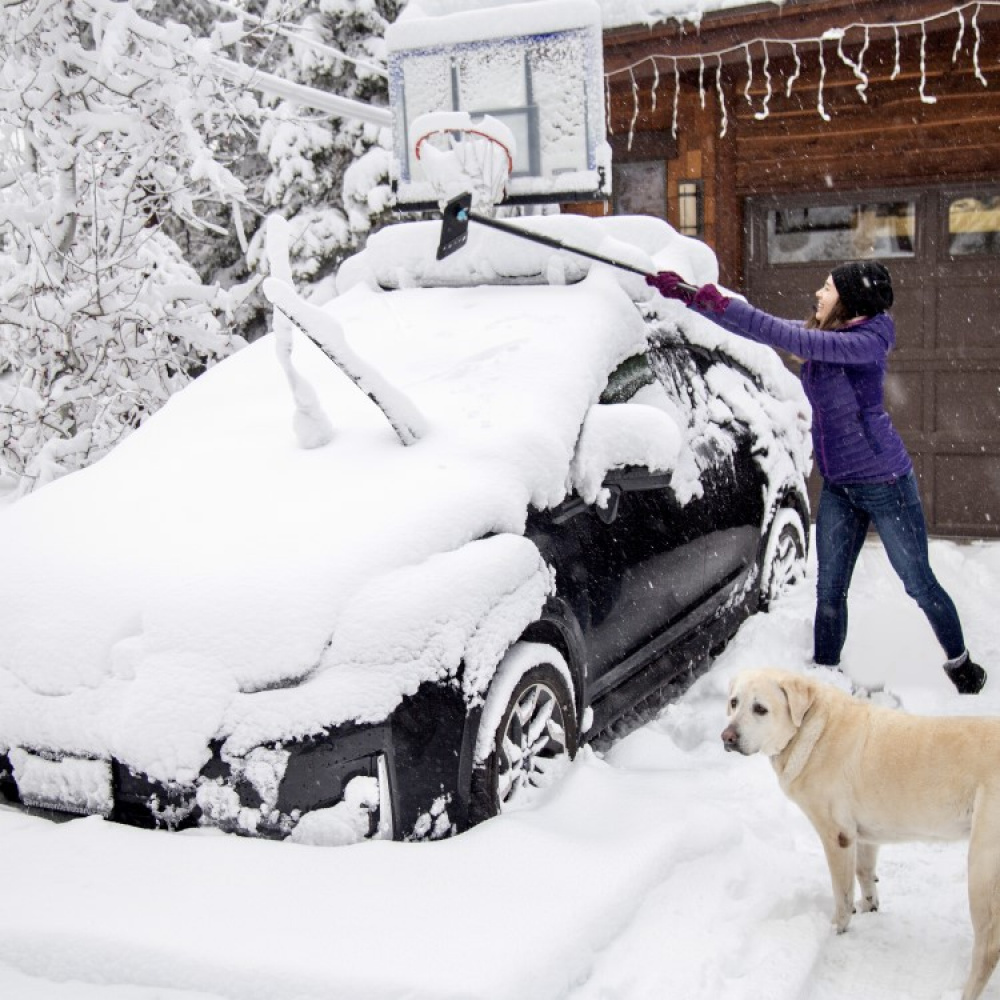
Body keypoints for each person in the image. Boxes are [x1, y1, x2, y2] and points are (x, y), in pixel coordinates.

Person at [646, 260, 987, 695]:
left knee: (918, 581)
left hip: (885, 483)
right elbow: (760, 327)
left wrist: (711, 299)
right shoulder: (829, 335)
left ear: (850, 302)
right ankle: (826, 673)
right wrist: (692, 296)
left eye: (827, 289)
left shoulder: (864, 341)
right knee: (829, 587)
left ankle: (962, 666)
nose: (818, 295)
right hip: (841, 485)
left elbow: (781, 334)